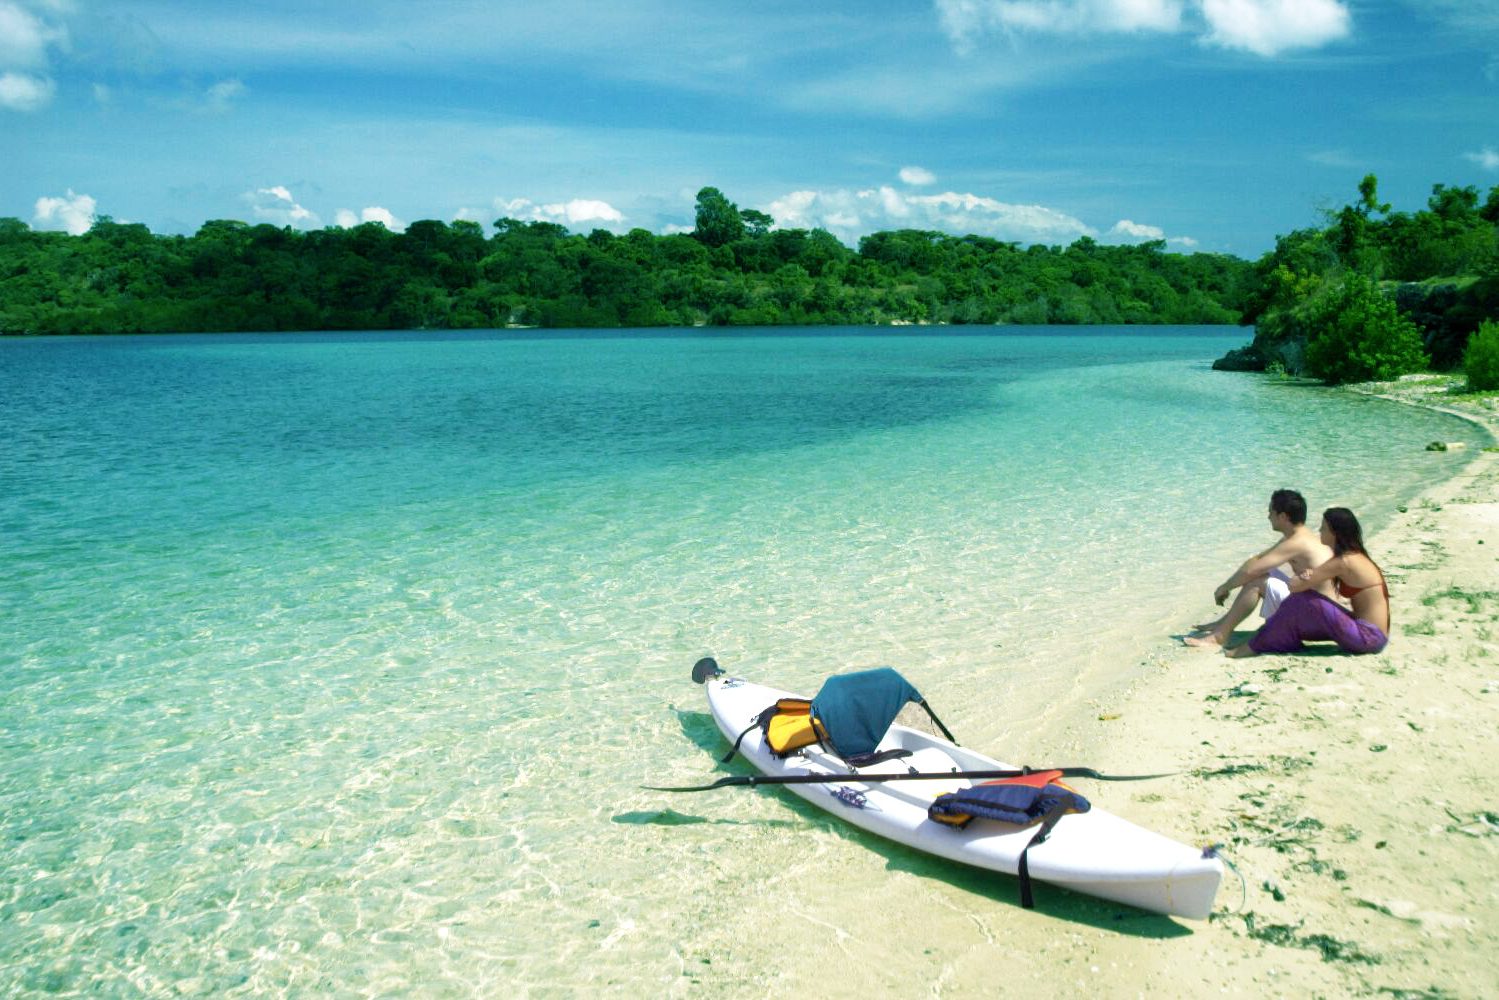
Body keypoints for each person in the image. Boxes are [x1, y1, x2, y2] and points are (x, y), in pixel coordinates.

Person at [1226, 507, 1389, 658]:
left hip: (1368, 638)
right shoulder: (1356, 557)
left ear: (1334, 533)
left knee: (1302, 599)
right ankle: (1268, 637)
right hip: (1373, 635)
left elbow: (1294, 586)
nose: (1319, 531)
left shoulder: (1344, 562)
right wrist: (1309, 575)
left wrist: (1305, 575)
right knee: (1302, 607)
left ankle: (1255, 645)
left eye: (1323, 528)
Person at [1186, 488, 1335, 648]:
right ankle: (1222, 623)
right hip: (1318, 607)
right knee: (1265, 571)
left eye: (1271, 512)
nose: (1268, 516)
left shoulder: (1295, 542)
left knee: (1256, 580)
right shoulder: (1301, 537)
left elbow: (1252, 571)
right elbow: (1258, 560)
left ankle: (1219, 636)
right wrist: (1228, 585)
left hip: (1316, 617)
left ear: (1283, 516)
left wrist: (1224, 587)